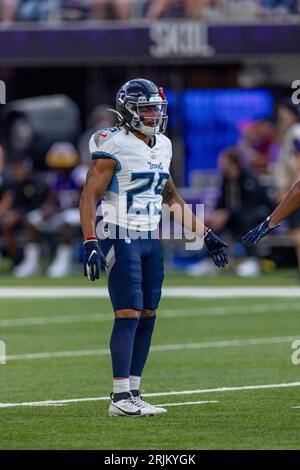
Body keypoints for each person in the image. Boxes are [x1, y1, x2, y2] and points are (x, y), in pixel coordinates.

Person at [79, 78, 228, 417]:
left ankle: (133, 391)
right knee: (128, 312)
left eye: (156, 108)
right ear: (128, 109)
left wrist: (205, 234)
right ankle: (119, 397)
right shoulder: (112, 143)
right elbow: (90, 194)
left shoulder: (162, 145)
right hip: (120, 232)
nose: (153, 114)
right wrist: (90, 240)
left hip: (150, 237)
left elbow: (170, 196)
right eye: (146, 108)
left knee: (148, 314)